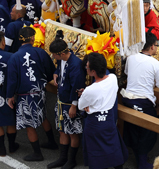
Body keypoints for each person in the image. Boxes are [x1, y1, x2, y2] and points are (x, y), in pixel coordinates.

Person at [6, 27, 56, 161]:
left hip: (25, 95)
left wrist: (10, 95)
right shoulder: (40, 52)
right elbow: (51, 70)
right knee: (43, 115)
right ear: (33, 38)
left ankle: (37, 153)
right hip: (40, 91)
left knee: (29, 124)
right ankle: (52, 142)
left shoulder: (14, 57)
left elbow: (11, 80)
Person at [121, 32, 159, 169]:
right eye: (157, 45)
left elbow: (127, 73)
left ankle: (138, 157)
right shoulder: (155, 63)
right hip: (144, 102)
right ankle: (142, 162)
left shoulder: (131, 58)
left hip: (128, 100)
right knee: (148, 132)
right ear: (152, 46)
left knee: (134, 130)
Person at [78, 53, 128, 169]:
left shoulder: (90, 90)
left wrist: (86, 99)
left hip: (95, 124)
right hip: (109, 120)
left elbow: (81, 106)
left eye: (87, 67)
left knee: (97, 157)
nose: (86, 69)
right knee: (113, 149)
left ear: (93, 71)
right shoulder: (112, 78)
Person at [49, 34, 86, 169]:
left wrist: (74, 106)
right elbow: (59, 67)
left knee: (73, 132)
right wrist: (56, 72)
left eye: (54, 55)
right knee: (62, 130)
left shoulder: (76, 65)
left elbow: (77, 86)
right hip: (61, 101)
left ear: (62, 53)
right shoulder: (61, 60)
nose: (53, 57)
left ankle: (71, 160)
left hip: (70, 104)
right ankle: (62, 158)